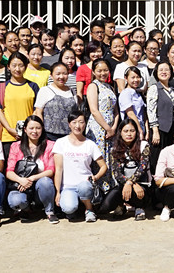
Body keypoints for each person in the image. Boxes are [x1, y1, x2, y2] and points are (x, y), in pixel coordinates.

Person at [53, 110, 108, 222]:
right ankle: (75, 209)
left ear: (85, 124)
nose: (77, 126)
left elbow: (103, 166)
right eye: (74, 122)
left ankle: (89, 209)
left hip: (85, 183)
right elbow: (58, 169)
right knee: (69, 208)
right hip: (67, 186)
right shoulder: (60, 142)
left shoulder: (90, 144)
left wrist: (96, 177)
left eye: (81, 122)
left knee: (84, 187)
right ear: (69, 124)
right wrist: (58, 192)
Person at [6, 115, 58, 224]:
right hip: (21, 186)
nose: (35, 131)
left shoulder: (50, 145)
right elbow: (9, 171)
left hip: (40, 184)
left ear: (42, 129)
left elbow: (51, 170)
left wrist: (32, 178)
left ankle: (49, 211)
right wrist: (21, 180)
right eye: (31, 128)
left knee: (45, 181)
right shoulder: (16, 146)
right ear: (25, 129)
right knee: (15, 200)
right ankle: (26, 209)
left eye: (38, 128)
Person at [99, 118, 151, 220]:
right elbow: (117, 173)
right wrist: (129, 183)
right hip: (123, 185)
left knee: (139, 192)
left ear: (136, 132)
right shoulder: (114, 149)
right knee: (105, 206)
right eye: (126, 131)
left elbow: (142, 168)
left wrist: (131, 183)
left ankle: (139, 208)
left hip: (142, 184)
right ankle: (121, 205)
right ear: (120, 133)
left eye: (132, 131)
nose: (129, 134)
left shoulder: (144, 146)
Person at [85, 59, 119, 192]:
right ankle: (98, 190)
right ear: (94, 72)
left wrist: (113, 128)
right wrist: (107, 128)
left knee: (110, 158)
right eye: (99, 70)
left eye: (105, 70)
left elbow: (116, 111)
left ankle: (109, 189)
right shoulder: (93, 86)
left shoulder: (110, 87)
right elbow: (94, 110)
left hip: (111, 128)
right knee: (100, 158)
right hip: (98, 127)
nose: (103, 73)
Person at [146, 62, 174, 173]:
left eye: (166, 69)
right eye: (161, 70)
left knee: (170, 158)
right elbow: (151, 110)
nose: (164, 72)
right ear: (156, 73)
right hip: (160, 129)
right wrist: (155, 130)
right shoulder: (154, 88)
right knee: (157, 158)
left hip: (173, 128)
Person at [33, 62, 78, 141]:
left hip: (69, 135)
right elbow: (38, 112)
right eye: (58, 74)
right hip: (49, 135)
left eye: (64, 73)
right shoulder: (45, 90)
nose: (61, 77)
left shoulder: (72, 91)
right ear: (51, 75)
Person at [119, 67, 147, 140]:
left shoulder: (138, 93)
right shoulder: (126, 93)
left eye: (138, 77)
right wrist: (140, 130)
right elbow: (130, 113)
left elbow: (143, 114)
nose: (136, 80)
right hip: (132, 128)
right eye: (133, 77)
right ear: (126, 78)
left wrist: (147, 130)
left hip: (141, 126)